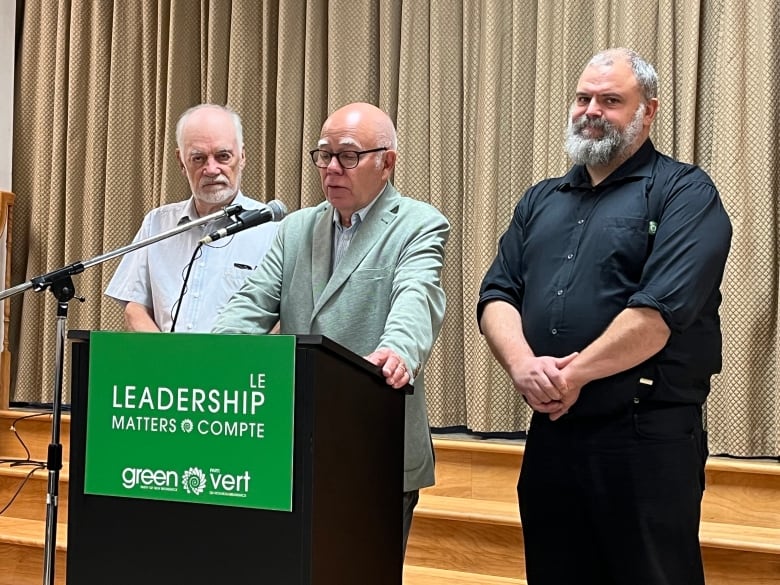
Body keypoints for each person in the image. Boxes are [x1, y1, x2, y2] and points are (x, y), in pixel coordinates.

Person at [477, 48, 732, 585]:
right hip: (552, 433)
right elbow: (497, 292)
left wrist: (571, 375)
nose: (591, 110)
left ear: (648, 112)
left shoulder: (685, 193)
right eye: (583, 97)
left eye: (611, 101)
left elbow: (658, 312)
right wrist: (524, 366)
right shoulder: (539, 199)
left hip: (646, 438)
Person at [212, 101, 450, 555]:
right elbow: (251, 303)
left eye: (348, 155)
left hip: (373, 442)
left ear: (387, 163)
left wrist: (398, 349)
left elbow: (417, 296)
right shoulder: (295, 228)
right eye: (324, 155)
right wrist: (212, 353)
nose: (332, 169)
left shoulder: (418, 224)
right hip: (292, 443)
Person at [105, 103, 278, 332]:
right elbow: (134, 307)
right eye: (198, 158)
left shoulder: (273, 230)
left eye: (223, 156)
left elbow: (285, 316)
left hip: (241, 365)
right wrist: (168, 360)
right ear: (181, 162)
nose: (211, 169)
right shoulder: (157, 224)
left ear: (242, 156)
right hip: (165, 364)